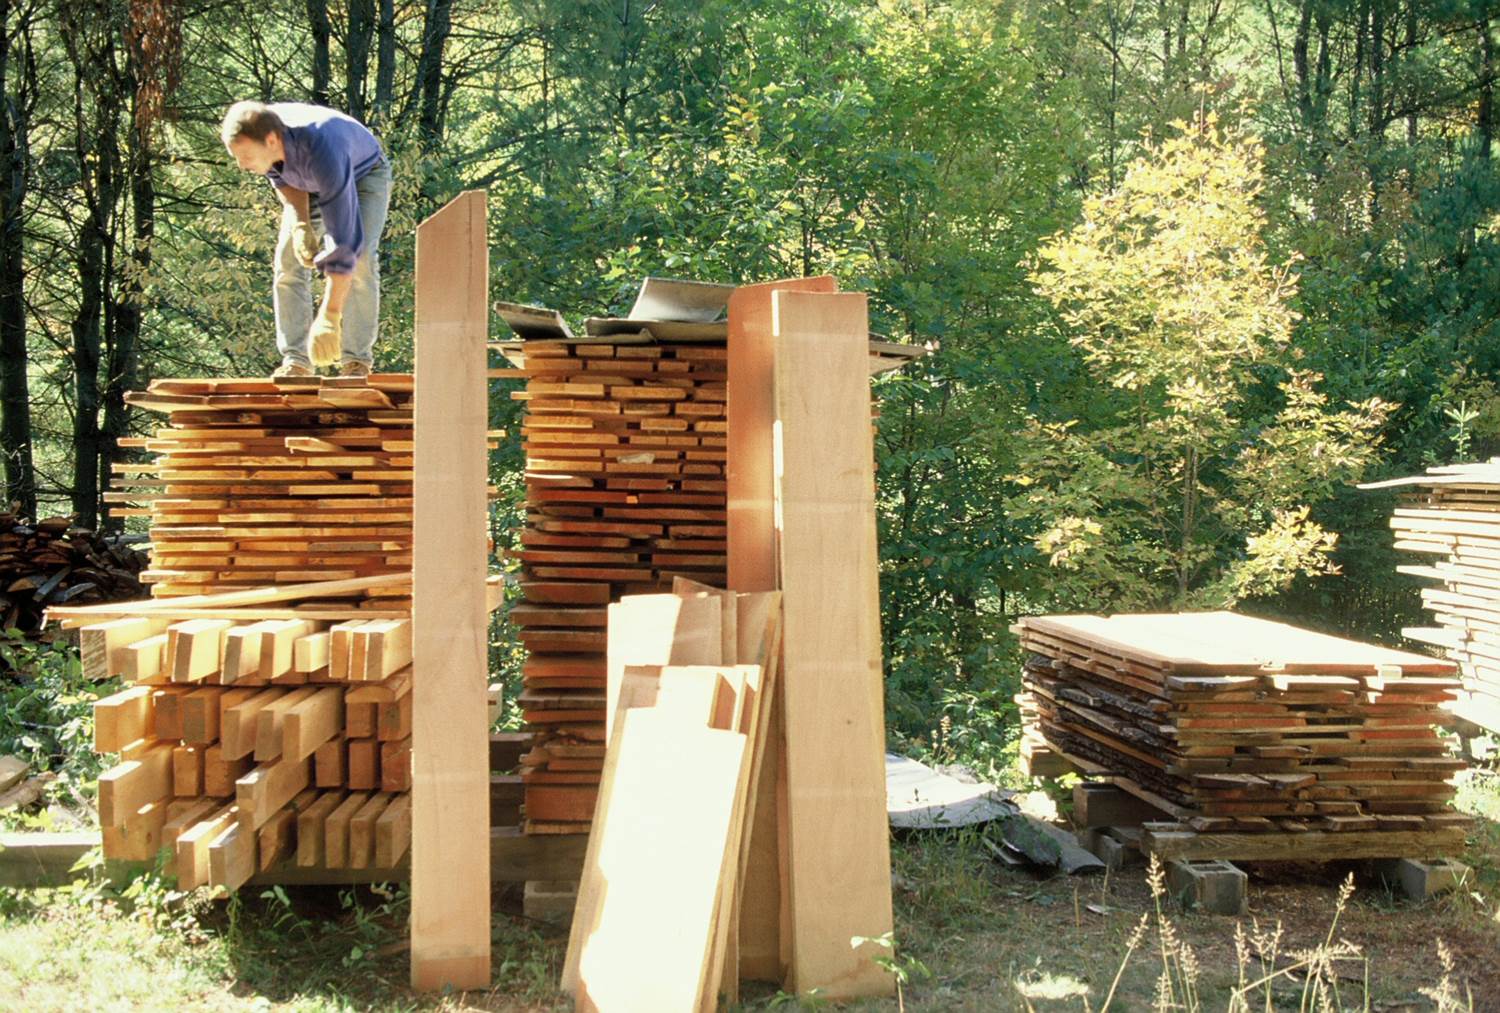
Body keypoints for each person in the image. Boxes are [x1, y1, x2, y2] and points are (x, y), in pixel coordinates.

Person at [220, 100, 391, 377]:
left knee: (360, 260)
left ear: (272, 140)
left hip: (364, 174)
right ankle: (296, 361)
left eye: (245, 156)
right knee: (288, 261)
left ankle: (355, 362)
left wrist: (329, 315)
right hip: (308, 181)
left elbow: (345, 243)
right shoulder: (266, 135)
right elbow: (283, 179)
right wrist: (301, 224)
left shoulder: (323, 148)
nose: (241, 165)